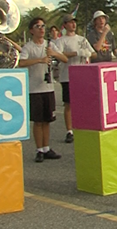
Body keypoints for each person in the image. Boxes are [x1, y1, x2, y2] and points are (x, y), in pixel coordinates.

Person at [18, 17, 68, 162]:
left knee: (47, 120)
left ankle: (46, 148)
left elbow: (64, 59)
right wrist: (39, 60)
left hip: (48, 87)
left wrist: (54, 54)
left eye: (43, 26)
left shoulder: (49, 44)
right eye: (37, 26)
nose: (41, 29)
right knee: (38, 121)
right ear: (31, 30)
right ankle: (39, 149)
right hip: (34, 88)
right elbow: (21, 62)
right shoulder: (28, 47)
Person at [53, 14, 96, 144]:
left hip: (82, 75)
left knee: (83, 103)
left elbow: (93, 52)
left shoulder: (82, 39)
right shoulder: (61, 41)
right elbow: (59, 54)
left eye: (74, 22)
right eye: (70, 22)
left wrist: (88, 54)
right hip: (68, 75)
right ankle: (69, 130)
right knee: (69, 104)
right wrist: (75, 53)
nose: (73, 25)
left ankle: (83, 127)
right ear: (65, 25)